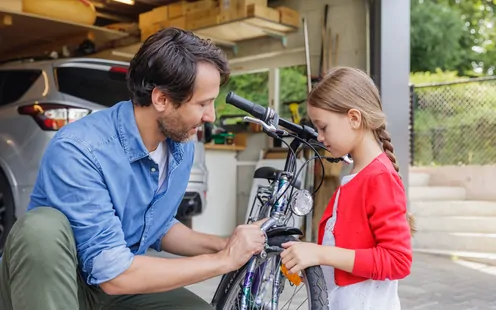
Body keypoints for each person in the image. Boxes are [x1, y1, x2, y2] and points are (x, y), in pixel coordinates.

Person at [0, 27, 266, 310]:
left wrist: (225, 244)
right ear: (162, 99)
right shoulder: (79, 148)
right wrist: (222, 261)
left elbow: (158, 225)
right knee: (41, 227)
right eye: (203, 103)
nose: (210, 116)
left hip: (114, 286)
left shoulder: (180, 145)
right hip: (57, 285)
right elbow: (114, 274)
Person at [280, 67, 415, 309]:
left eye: (323, 127)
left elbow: (398, 260)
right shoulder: (357, 174)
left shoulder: (379, 178)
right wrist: (313, 261)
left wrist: (320, 254)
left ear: (354, 118)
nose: (319, 137)